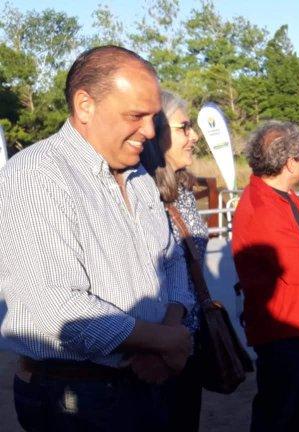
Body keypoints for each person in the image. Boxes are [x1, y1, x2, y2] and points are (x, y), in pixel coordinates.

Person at [0, 45, 194, 431]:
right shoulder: (36, 177)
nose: (151, 131)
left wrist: (169, 331)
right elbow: (59, 310)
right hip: (77, 398)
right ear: (85, 105)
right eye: (136, 116)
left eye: (153, 117)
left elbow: (171, 260)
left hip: (149, 381)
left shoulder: (138, 176)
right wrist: (162, 341)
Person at [232, 120, 299, 431]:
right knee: (280, 409)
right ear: (290, 161)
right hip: (281, 326)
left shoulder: (282, 194)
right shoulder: (263, 206)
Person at [140, 90, 207, 431]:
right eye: (185, 126)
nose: (194, 135)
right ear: (157, 133)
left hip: (186, 341)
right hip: (160, 347)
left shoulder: (180, 188)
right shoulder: (143, 193)